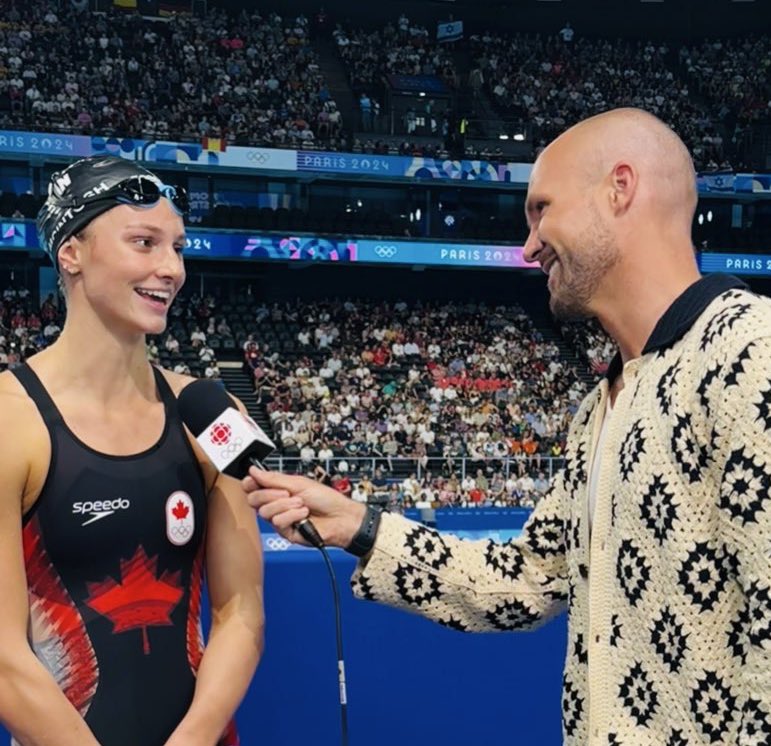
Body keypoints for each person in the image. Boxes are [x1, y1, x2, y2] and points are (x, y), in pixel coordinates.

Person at [244, 108, 771, 744]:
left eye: (541, 208)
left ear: (620, 188)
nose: (527, 246)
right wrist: (359, 526)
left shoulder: (750, 352)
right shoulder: (599, 407)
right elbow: (523, 582)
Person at [0, 156, 264, 745]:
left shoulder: (215, 415)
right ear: (71, 252)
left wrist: (193, 739)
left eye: (177, 247)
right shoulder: (8, 421)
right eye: (144, 243)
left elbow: (240, 612)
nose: (170, 268)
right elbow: (3, 658)